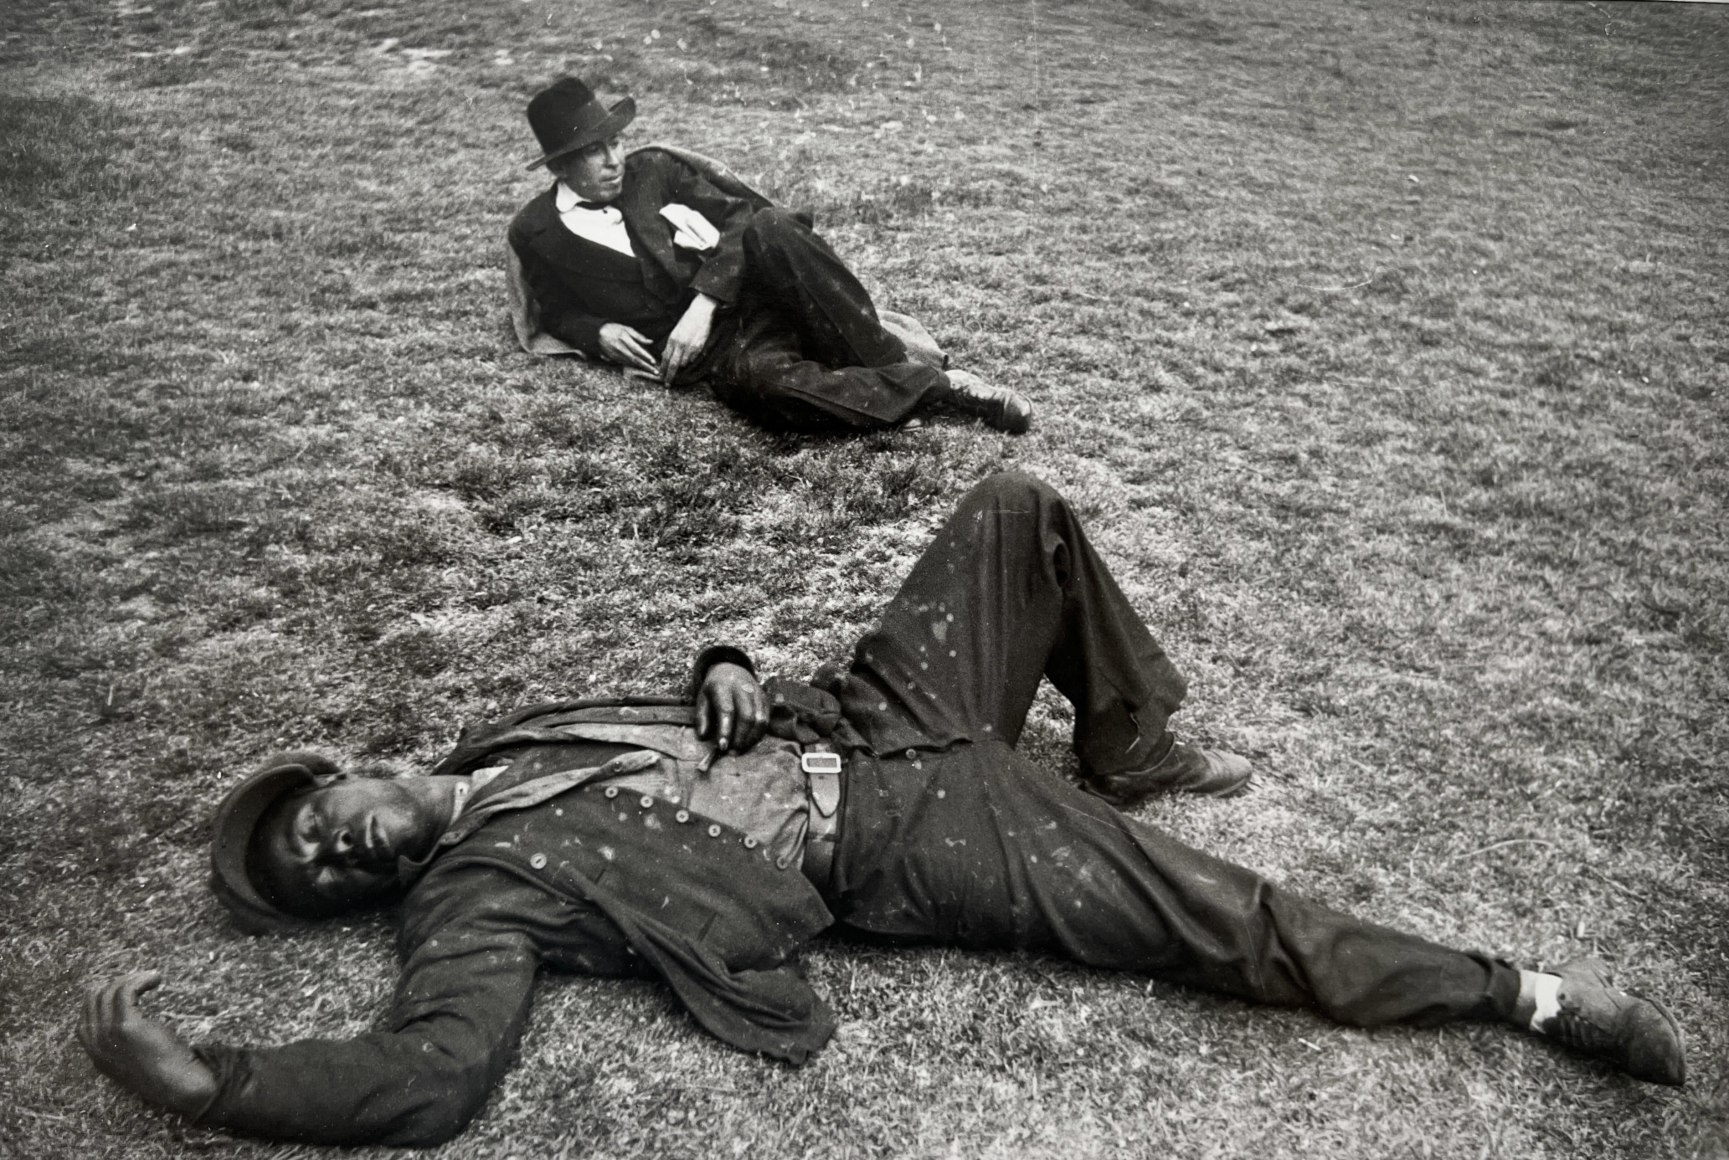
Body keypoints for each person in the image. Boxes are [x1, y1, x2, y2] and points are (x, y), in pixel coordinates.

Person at [78, 473, 1686, 1147]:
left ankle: (1124, 736)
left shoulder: (505, 728)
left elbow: (697, 689)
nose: (332, 847)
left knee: (1012, 506)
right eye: (318, 877)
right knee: (1222, 922)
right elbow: (429, 1077)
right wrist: (209, 1082)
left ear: (348, 760)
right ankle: (1523, 995)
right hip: (908, 839)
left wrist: (720, 657)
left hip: (874, 709)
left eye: (311, 815)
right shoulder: (472, 902)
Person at [505, 76, 1033, 434]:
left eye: (615, 142)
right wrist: (596, 332)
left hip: (755, 288)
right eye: (593, 151)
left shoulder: (653, 171)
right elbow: (552, 309)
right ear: (559, 167)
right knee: (769, 388)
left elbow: (742, 218)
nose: (613, 159)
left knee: (775, 225)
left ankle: (895, 367)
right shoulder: (537, 232)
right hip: (717, 352)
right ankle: (940, 388)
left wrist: (705, 300)